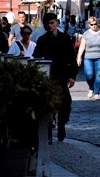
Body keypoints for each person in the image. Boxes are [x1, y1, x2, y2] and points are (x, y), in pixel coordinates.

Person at [34, 12, 77, 142]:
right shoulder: (42, 40)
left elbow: (71, 57)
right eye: (48, 24)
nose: (50, 26)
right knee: (48, 104)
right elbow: (37, 57)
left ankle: (62, 123)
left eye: (52, 23)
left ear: (57, 23)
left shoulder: (65, 39)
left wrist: (72, 76)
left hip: (62, 75)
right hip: (48, 76)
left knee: (65, 103)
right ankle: (48, 130)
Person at [76, 16, 100, 100]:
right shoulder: (86, 34)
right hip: (88, 57)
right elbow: (82, 46)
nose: (94, 26)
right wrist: (79, 57)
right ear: (89, 25)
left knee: (98, 74)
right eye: (91, 24)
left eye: (95, 24)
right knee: (89, 75)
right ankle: (91, 87)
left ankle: (96, 93)